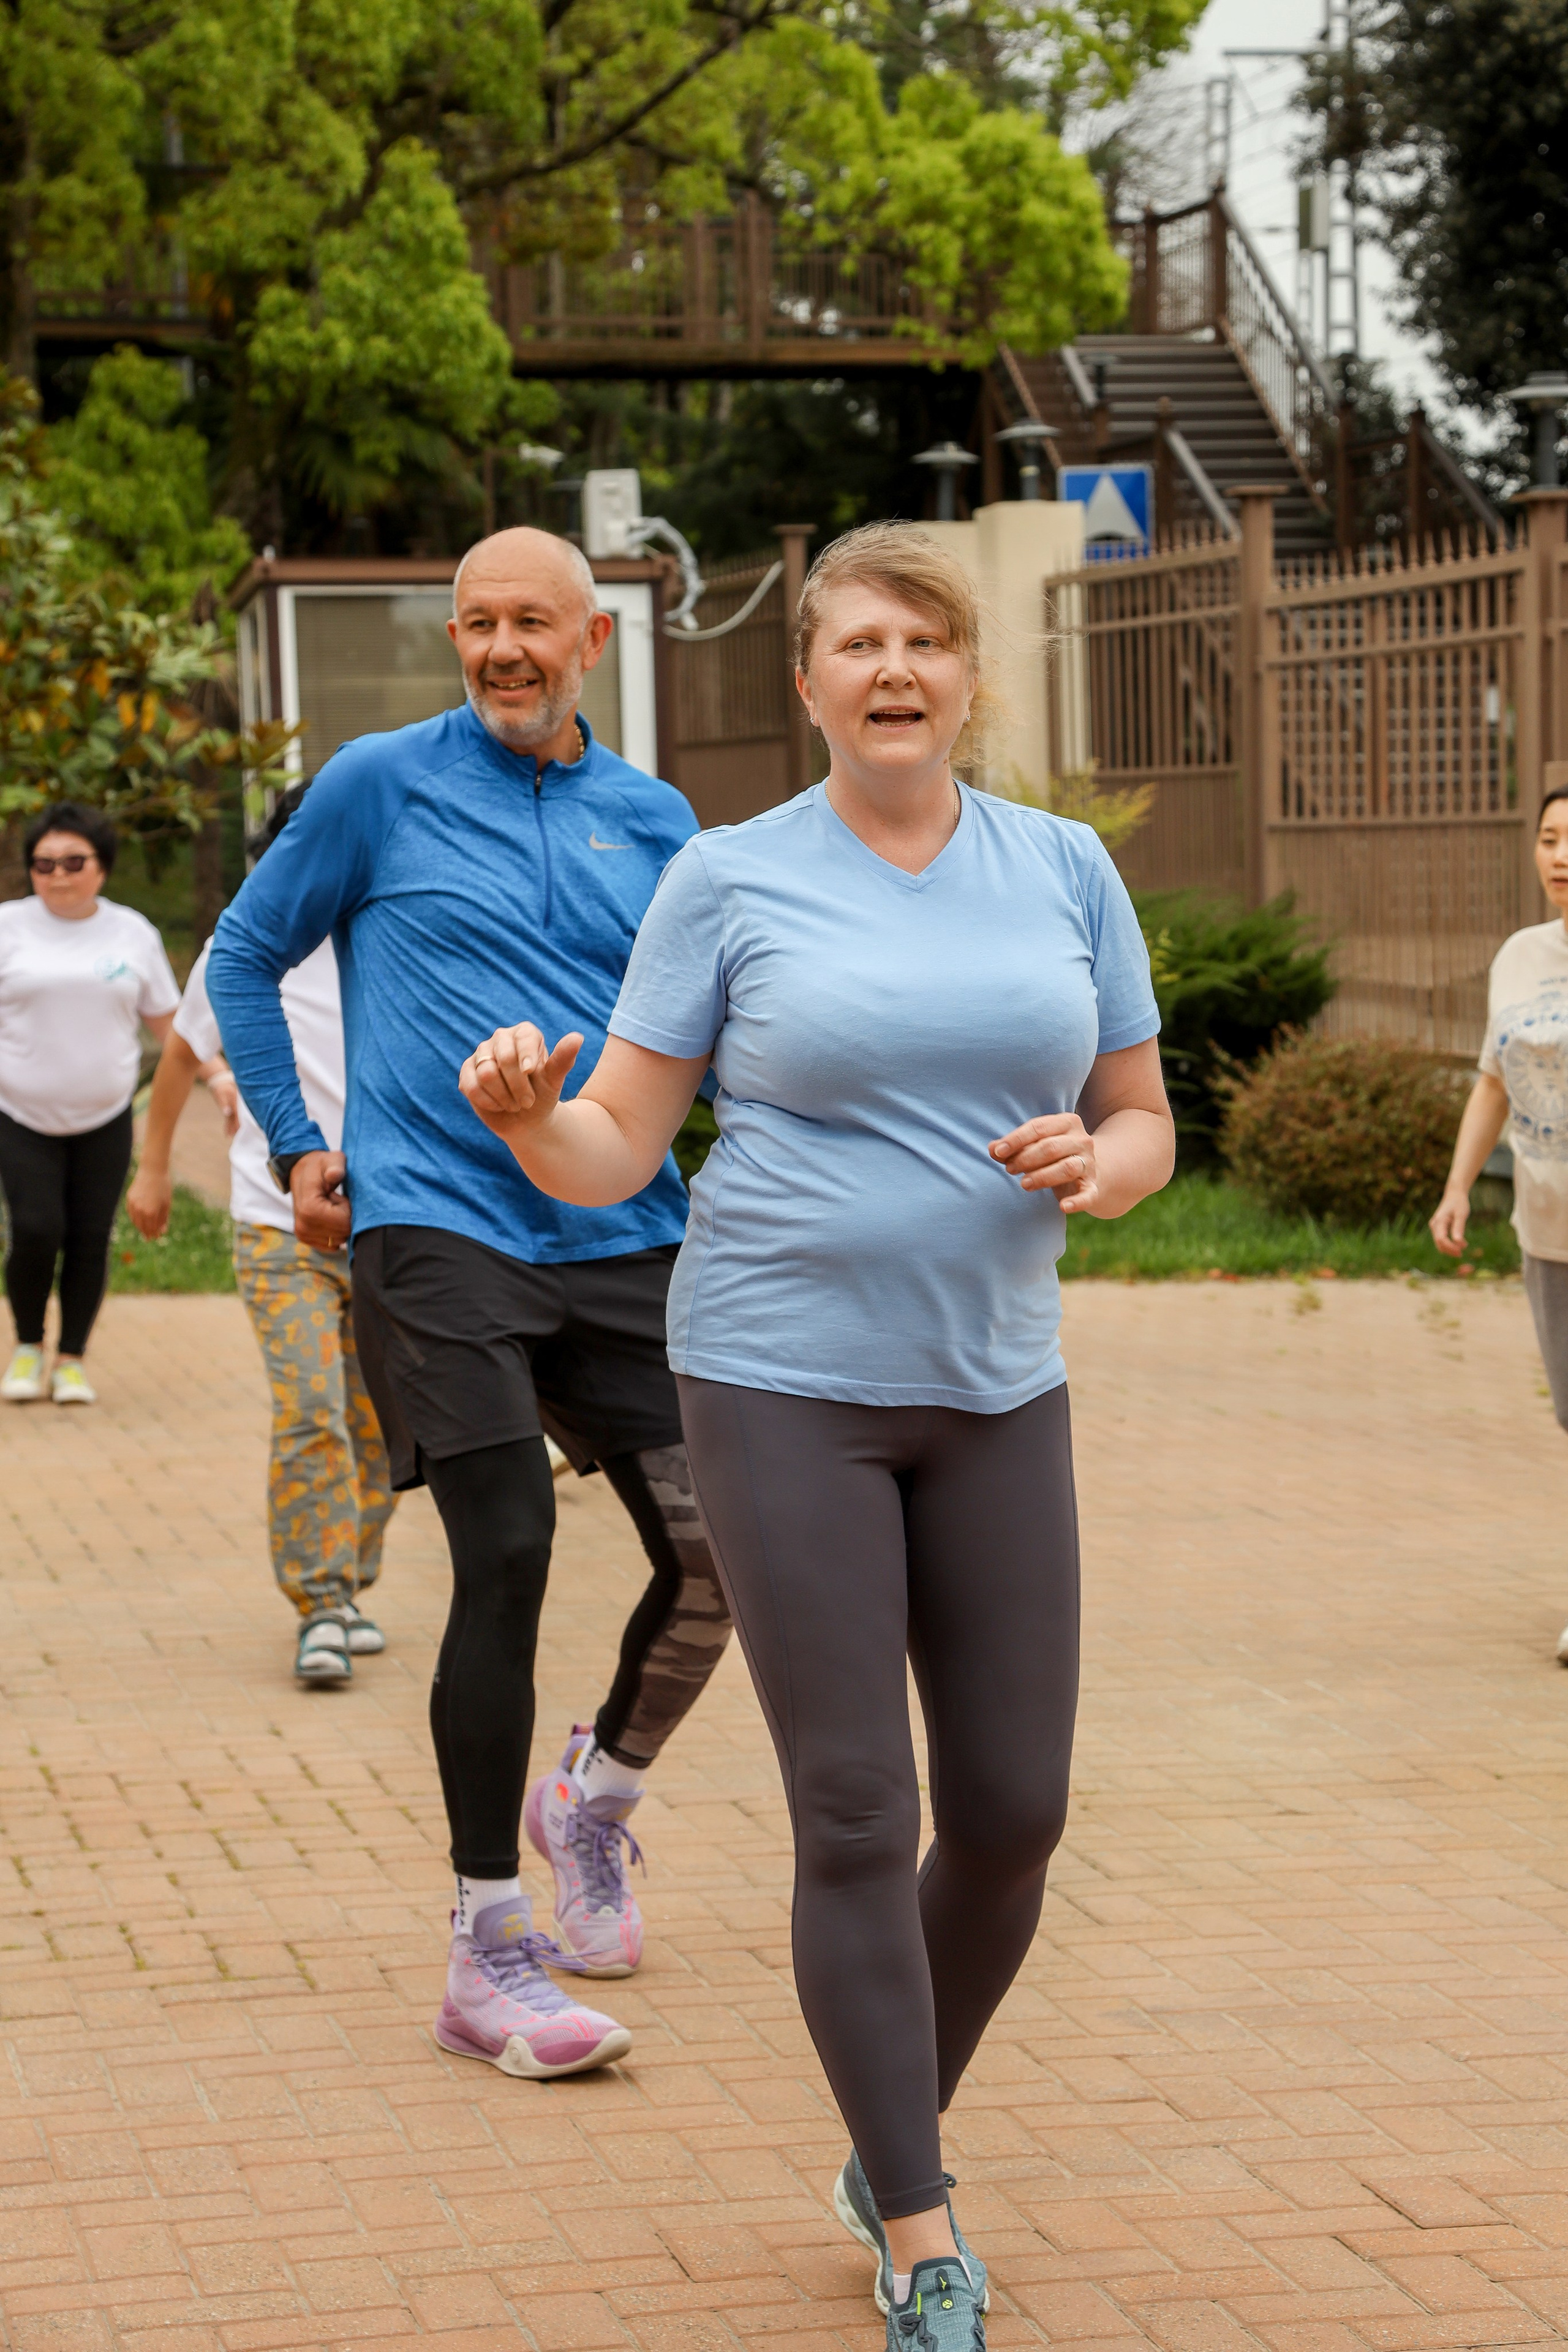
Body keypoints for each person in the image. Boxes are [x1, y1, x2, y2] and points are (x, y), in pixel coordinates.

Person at [459, 522, 1175, 2351]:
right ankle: (918, 2218)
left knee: (1015, 1808)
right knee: (860, 1803)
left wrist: (1101, 1168)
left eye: (921, 641)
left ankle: (885, 2121)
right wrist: (535, 1124)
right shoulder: (728, 879)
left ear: (963, 674)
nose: (890, 670)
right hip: (780, 1381)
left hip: (999, 1378)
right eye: (855, 642)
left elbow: (1138, 1109)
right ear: (808, 682)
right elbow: (623, 1136)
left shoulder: (1062, 869)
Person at [207, 526, 734, 2081]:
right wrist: (299, 1141)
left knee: (728, 1560)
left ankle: (593, 1797)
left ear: (590, 643)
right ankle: (486, 1947)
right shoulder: (377, 780)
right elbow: (243, 956)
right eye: (477, 623)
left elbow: (711, 1027)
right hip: (434, 1224)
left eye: (533, 624)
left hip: (622, 1225)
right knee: (505, 1547)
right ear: (457, 637)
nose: (504, 647)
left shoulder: (658, 821)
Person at [127, 787, 396, 1689]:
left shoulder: (398, 930)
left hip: (392, 1224)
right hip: (277, 1223)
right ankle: (319, 1603)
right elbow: (177, 1057)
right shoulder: (242, 947)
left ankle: (350, 1581)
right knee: (312, 1407)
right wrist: (155, 1166)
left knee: (378, 1428)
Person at [1432, 783, 1568, 1659]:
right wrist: (1457, 1187)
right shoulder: (1520, 956)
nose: (1561, 855)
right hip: (1548, 1231)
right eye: (1550, 837)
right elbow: (1493, 1081)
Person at [0, 802, 181, 1406]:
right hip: (19, 1113)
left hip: (107, 1117)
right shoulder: (9, 927)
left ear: (101, 866)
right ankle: (29, 1347)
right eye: (43, 864)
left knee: (88, 1236)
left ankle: (72, 1358)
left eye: (73, 862)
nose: (57, 875)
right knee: (35, 1229)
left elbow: (169, 1025)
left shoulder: (132, 933)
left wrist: (221, 1076)